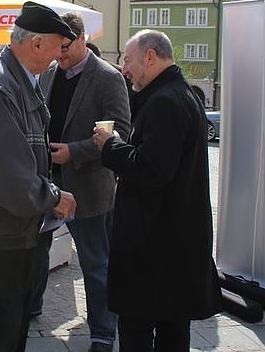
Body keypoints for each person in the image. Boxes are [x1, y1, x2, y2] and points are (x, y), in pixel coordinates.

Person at [0, 1, 78, 352]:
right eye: (58, 45)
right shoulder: (0, 87)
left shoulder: (20, 80)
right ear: (37, 44)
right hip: (0, 232)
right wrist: (54, 197)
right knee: (4, 326)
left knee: (15, 322)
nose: (59, 54)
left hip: (17, 230)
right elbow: (6, 178)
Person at [93, 29, 222, 351]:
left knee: (139, 329)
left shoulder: (165, 101)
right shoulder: (178, 94)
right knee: (173, 329)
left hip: (154, 246)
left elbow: (153, 169)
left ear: (150, 57)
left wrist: (110, 147)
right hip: (174, 241)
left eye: (129, 60)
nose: (125, 68)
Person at [34, 13, 130, 352]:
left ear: (81, 38)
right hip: (47, 183)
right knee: (36, 250)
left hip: (88, 186)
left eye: (64, 48)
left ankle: (103, 333)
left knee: (95, 263)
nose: (58, 56)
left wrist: (74, 152)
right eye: (55, 48)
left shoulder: (107, 78)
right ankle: (32, 307)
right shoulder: (47, 75)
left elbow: (120, 132)